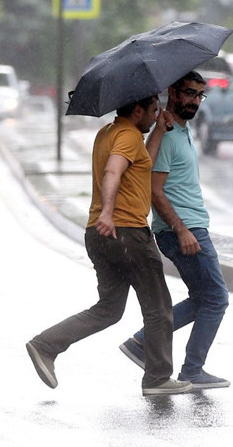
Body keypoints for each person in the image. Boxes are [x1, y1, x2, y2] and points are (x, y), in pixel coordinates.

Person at [25, 95, 194, 396]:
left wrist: (159, 130)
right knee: (158, 307)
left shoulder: (109, 134)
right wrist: (108, 212)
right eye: (153, 111)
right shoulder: (128, 136)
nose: (157, 115)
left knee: (108, 310)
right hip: (127, 232)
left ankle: (45, 345)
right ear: (137, 110)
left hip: (99, 235)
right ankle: (157, 378)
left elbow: (143, 166)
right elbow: (113, 171)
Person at [118, 71, 231, 389]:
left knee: (203, 297)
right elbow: (155, 189)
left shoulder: (180, 130)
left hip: (189, 225)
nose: (194, 100)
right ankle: (191, 369)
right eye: (189, 93)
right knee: (216, 298)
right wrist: (181, 229)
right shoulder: (166, 135)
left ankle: (143, 343)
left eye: (199, 95)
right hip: (182, 228)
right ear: (172, 91)